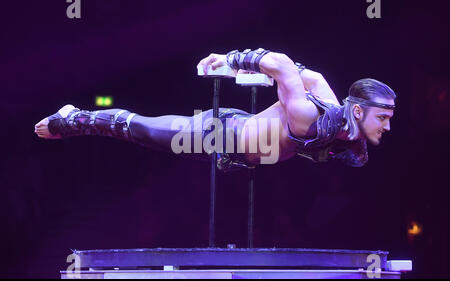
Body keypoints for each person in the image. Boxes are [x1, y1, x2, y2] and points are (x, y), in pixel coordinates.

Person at [34, 48, 396, 171]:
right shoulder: (315, 120)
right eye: (383, 118)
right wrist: (231, 61)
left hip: (241, 146)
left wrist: (290, 79)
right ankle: (73, 118)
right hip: (217, 135)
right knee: (139, 130)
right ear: (359, 112)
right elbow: (283, 63)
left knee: (144, 133)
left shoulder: (340, 119)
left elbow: (312, 77)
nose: (387, 126)